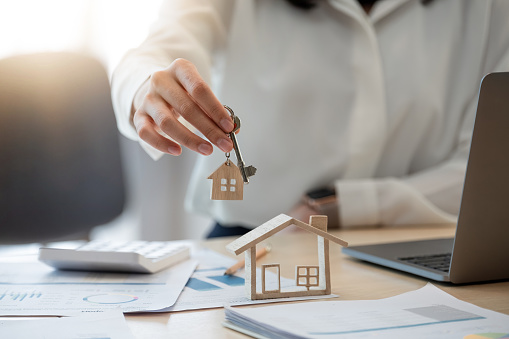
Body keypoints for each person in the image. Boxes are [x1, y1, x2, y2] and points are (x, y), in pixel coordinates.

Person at [111, 0, 509, 237]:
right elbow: (155, 51)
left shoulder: (488, 11)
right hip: (254, 239)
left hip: (418, 245)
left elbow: (485, 177)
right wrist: (145, 88)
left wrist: (340, 207)